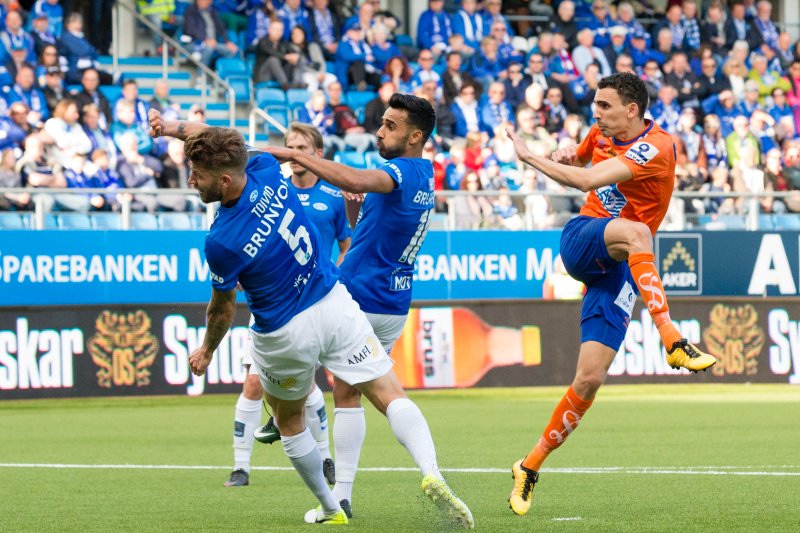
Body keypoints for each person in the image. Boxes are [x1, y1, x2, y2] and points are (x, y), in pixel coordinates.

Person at [148, 106, 473, 529]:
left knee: (288, 420)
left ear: (224, 180)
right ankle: (431, 471)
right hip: (335, 303)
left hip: (284, 331)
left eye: (199, 175)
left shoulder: (221, 240)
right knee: (388, 392)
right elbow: (219, 138)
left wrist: (207, 350)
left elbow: (222, 308)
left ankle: (331, 507)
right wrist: (174, 129)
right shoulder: (264, 166)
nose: (192, 181)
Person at [504, 72, 718, 516]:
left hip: (618, 266)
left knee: (590, 379)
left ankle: (528, 466)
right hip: (584, 238)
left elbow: (585, 176)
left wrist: (533, 157)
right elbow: (582, 167)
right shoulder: (601, 133)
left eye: (604, 107)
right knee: (639, 231)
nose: (595, 114)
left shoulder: (654, 146)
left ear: (632, 110)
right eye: (595, 106)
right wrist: (560, 153)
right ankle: (673, 340)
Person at [259, 93, 472, 528]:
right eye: (382, 122)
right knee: (362, 390)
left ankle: (284, 417)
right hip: (393, 301)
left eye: (390, 126)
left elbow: (355, 181)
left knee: (292, 346)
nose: (379, 130)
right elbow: (366, 203)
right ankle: (425, 473)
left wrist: (288, 154)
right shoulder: (425, 170)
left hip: (356, 293)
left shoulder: (399, 169)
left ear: (416, 136)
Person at [223, 122, 352, 488]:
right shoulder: (273, 190)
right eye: (289, 147)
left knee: (312, 385)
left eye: (302, 147)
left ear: (317, 154)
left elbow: (345, 246)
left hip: (313, 303)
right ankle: (240, 467)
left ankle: (325, 458)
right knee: (252, 385)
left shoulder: (332, 196)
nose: (294, 155)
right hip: (272, 304)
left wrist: (336, 275)